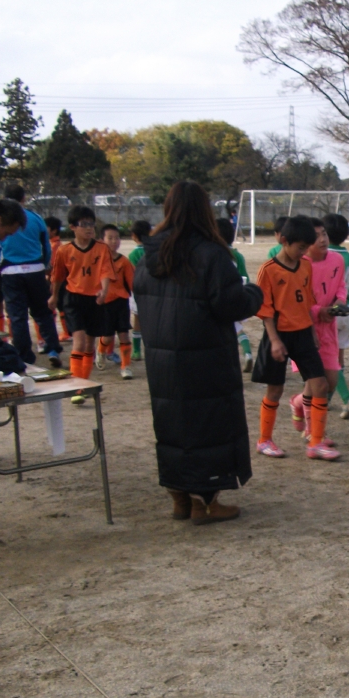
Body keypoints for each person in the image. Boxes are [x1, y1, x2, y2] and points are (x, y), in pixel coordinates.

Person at [133, 180, 264, 524]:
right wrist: (254, 293)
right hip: (205, 357)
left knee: (172, 426)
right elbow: (230, 304)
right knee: (209, 425)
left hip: (162, 359)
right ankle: (206, 501)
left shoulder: (147, 256)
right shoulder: (211, 254)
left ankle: (180, 496)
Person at [251, 214, 340, 461]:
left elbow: (307, 301)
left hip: (303, 334)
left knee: (320, 384)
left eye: (306, 248)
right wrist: (274, 340)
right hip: (278, 335)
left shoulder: (305, 266)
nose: (303, 253)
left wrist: (312, 332)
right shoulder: (268, 270)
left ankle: (316, 442)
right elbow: (265, 310)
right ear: (284, 241)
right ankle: (264, 440)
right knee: (275, 390)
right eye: (300, 248)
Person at [287, 217, 345, 445]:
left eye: (324, 234)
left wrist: (340, 302)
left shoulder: (337, 260)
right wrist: (318, 311)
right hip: (304, 329)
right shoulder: (299, 265)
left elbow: (341, 287)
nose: (322, 240)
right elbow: (295, 301)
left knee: (330, 382)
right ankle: (314, 432)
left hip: (328, 328)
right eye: (316, 236)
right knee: (316, 383)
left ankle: (298, 403)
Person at [48, 205, 114, 401]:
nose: (89, 228)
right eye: (84, 224)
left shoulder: (101, 248)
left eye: (91, 224)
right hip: (73, 299)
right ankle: (76, 388)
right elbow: (58, 276)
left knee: (89, 344)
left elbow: (106, 271)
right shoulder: (64, 250)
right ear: (72, 227)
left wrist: (104, 290)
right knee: (79, 341)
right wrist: (54, 296)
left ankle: (83, 383)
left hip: (94, 299)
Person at [0, 186, 60, 368]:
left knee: (17, 316)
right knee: (43, 312)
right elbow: (45, 245)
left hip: (10, 271)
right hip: (35, 268)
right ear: (23, 199)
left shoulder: (1, 220)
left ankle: (24, 355)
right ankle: (52, 348)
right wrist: (44, 265)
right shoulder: (35, 218)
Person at [322, 213, 349, 418]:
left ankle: (348, 398)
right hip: (345, 313)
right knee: (338, 357)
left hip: (328, 313)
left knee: (328, 360)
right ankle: (327, 399)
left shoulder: (323, 257)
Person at [214, 217, 254, 371]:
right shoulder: (238, 256)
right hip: (237, 296)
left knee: (225, 331)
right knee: (236, 327)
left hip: (220, 298)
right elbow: (245, 278)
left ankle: (228, 362)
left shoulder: (215, 254)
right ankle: (248, 353)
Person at [96, 224, 135, 379]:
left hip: (121, 302)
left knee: (124, 335)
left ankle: (126, 366)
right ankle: (101, 351)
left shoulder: (124, 261)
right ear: (102, 240)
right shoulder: (97, 261)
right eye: (110, 238)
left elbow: (132, 282)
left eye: (117, 238)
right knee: (107, 336)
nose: (114, 241)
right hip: (105, 303)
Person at [127, 220, 151, 360]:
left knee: (137, 320)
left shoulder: (133, 255)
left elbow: (132, 275)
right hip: (153, 291)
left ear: (134, 236)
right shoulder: (154, 250)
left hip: (138, 291)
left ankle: (136, 350)